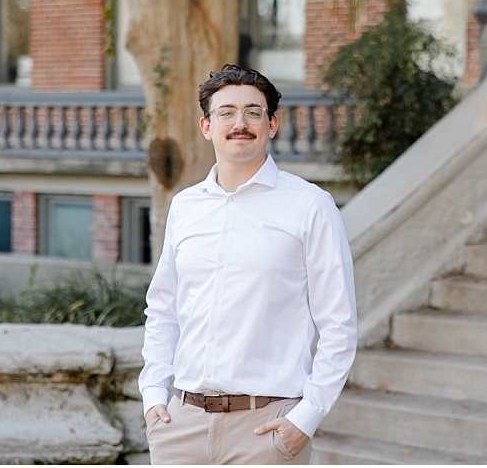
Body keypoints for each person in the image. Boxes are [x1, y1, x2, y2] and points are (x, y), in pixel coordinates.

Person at [139, 64, 358, 465]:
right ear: (206, 126)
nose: (240, 123)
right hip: (180, 426)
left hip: (267, 429)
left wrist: (305, 419)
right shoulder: (185, 206)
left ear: (272, 124)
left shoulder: (310, 206)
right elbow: (164, 308)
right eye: (226, 112)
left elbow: (338, 326)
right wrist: (153, 394)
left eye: (253, 112)